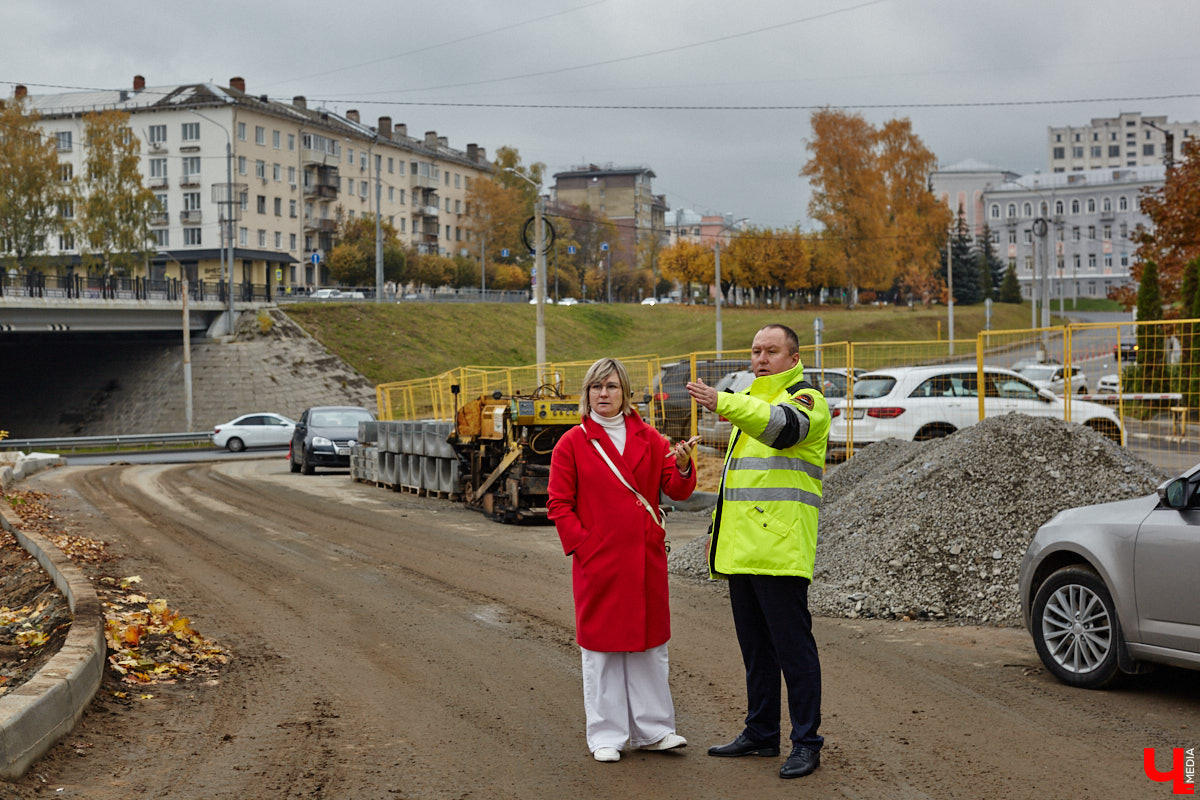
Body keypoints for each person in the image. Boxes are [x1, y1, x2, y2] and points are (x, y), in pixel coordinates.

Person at [685, 324, 831, 780]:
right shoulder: (751, 406)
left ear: (793, 358)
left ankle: (807, 743)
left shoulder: (807, 400)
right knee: (756, 651)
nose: (760, 359)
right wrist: (716, 529)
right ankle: (761, 732)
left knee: (794, 652)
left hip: (780, 550)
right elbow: (739, 482)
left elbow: (783, 431)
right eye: (755, 351)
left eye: (771, 351)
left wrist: (722, 401)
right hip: (744, 549)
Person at [548, 357, 700, 763]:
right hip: (599, 562)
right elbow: (559, 505)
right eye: (596, 387)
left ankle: (655, 730)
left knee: (651, 647)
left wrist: (684, 466)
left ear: (625, 393)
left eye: (612, 387)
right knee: (602, 651)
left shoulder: (650, 438)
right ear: (586, 393)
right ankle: (606, 735)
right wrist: (585, 548)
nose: (603, 394)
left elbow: (676, 489)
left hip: (644, 559)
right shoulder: (573, 442)